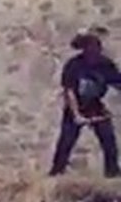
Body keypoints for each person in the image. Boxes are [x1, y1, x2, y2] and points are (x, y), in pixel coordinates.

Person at [50, 27, 121, 177]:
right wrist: (76, 114)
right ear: (84, 47)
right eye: (89, 45)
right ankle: (56, 173)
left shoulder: (106, 64)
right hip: (75, 107)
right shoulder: (73, 65)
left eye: (96, 44)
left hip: (95, 106)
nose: (93, 49)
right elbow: (69, 91)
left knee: (109, 143)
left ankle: (112, 174)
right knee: (65, 143)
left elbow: (117, 83)